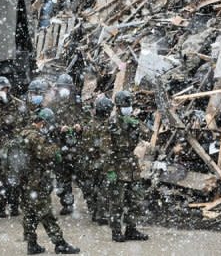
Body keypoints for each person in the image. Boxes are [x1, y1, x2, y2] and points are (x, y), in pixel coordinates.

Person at [20, 108, 80, 255]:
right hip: (36, 181)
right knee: (46, 213)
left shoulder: (24, 133)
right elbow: (45, 153)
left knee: (29, 213)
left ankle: (31, 244)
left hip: (25, 181)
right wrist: (57, 148)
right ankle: (59, 243)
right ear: (42, 123)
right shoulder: (36, 137)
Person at [107, 90, 149, 242]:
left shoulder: (133, 120)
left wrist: (136, 124)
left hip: (131, 166)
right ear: (118, 106)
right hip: (118, 166)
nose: (128, 108)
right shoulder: (112, 123)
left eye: (129, 105)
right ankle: (116, 231)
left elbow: (148, 134)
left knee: (135, 201)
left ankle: (131, 229)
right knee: (117, 202)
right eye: (126, 105)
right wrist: (110, 170)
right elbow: (106, 149)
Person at [0, 76, 26, 218]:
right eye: (0, 88)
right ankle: (0, 207)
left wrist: (18, 139)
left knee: (15, 177)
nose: (3, 91)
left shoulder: (18, 104)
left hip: (14, 146)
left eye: (5, 88)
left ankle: (14, 205)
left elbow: (24, 124)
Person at [50, 73, 84, 215]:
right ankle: (67, 204)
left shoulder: (77, 104)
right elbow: (47, 126)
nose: (65, 90)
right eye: (62, 87)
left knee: (83, 176)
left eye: (67, 87)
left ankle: (95, 206)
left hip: (76, 147)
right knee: (62, 178)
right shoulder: (52, 106)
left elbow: (86, 120)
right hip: (60, 146)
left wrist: (80, 126)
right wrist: (59, 129)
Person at [79, 95, 113, 225]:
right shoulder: (104, 127)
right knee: (103, 189)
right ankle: (101, 215)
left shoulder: (89, 125)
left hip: (88, 161)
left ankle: (93, 211)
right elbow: (105, 149)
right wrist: (109, 166)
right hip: (99, 162)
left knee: (91, 188)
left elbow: (84, 144)